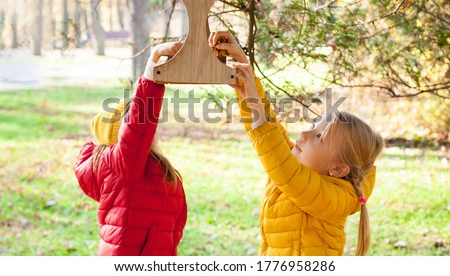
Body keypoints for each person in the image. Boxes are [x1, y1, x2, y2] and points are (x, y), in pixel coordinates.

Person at [209, 32, 384, 256]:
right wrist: (244, 71)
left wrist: (252, 98)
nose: (304, 133)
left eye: (319, 137)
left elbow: (277, 158)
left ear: (338, 169)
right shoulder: (300, 169)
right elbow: (272, 134)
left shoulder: (332, 199)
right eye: (314, 125)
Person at [75, 42, 187, 256]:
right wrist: (153, 65)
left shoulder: (153, 168)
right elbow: (139, 123)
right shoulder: (123, 164)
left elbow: (175, 227)